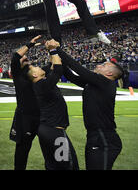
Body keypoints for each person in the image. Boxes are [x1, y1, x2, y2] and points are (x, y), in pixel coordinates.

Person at [55, 42, 123, 170]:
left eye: (103, 65)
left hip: (104, 138)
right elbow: (71, 75)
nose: (98, 65)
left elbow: (79, 70)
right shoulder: (95, 83)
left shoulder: (105, 82)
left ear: (109, 74)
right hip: (95, 136)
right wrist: (55, 56)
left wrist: (57, 50)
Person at [26, 40, 79, 170]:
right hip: (54, 131)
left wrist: (50, 50)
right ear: (34, 74)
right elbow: (57, 70)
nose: (39, 66)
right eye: (35, 67)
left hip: (47, 129)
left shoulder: (41, 83)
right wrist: (53, 50)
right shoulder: (41, 85)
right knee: (66, 165)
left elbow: (52, 65)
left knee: (53, 165)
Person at [9, 36, 41, 170]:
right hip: (25, 118)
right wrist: (30, 44)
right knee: (22, 150)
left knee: (49, 146)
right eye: (24, 58)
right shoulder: (18, 75)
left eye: (27, 57)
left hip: (43, 116)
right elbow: (15, 57)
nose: (25, 58)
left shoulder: (36, 73)